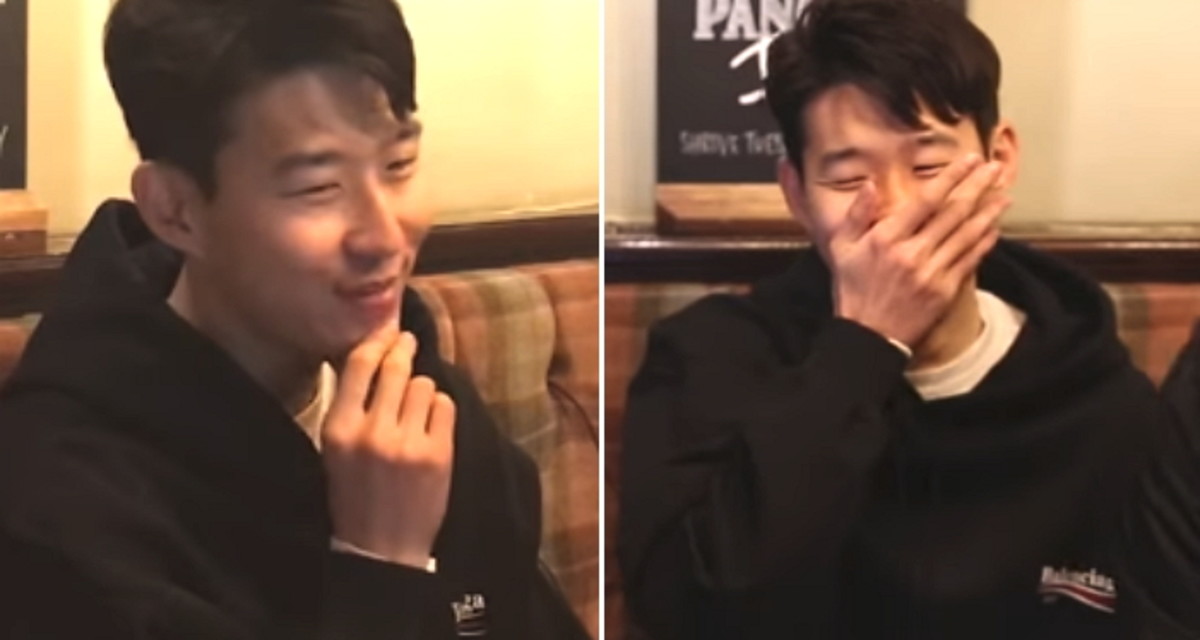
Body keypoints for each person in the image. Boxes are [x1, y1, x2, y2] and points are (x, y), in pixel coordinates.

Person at [0, 0, 587, 637]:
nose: (385, 236)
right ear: (175, 211)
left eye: (398, 165)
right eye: (318, 188)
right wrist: (380, 562)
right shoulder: (64, 502)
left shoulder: (420, 391)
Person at [617, 0, 1159, 637]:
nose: (897, 210)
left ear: (1000, 161)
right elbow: (684, 612)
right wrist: (864, 344)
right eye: (849, 179)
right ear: (796, 194)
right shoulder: (710, 357)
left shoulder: (1097, 391)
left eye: (928, 167)